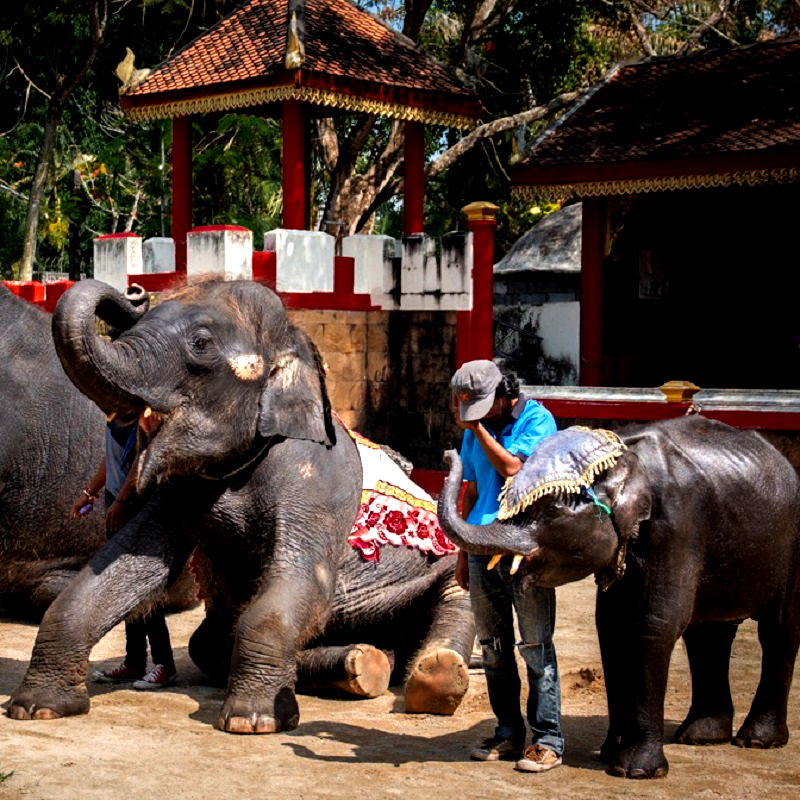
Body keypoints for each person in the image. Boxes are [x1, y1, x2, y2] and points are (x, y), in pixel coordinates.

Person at [451, 359, 562, 773]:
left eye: (482, 407)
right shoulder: (474, 426)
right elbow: (472, 489)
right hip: (481, 547)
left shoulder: (537, 420)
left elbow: (514, 470)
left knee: (535, 646)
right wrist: (463, 551)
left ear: (504, 392)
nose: (476, 415)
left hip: (524, 548)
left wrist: (476, 429)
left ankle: (548, 739)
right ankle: (508, 733)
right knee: (494, 649)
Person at [70, 410, 176, 690]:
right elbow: (112, 458)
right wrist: (90, 492)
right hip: (116, 502)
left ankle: (165, 664)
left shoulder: (143, 416)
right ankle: (134, 661)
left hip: (136, 503)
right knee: (125, 584)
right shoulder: (114, 416)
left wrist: (122, 500)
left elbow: (142, 461)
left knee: (142, 583)